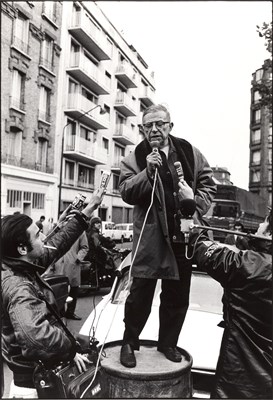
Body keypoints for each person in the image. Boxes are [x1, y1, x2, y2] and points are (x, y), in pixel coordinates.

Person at [118, 103, 216, 368]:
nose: (154, 129)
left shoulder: (189, 152)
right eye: (148, 125)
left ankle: (168, 343)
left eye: (160, 124)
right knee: (139, 295)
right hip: (150, 239)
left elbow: (209, 183)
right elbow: (126, 191)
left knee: (177, 295)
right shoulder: (135, 157)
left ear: (170, 126)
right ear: (141, 129)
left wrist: (193, 200)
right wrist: (146, 173)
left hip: (182, 237)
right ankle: (129, 342)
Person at [1, 188, 104, 398]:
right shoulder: (18, 286)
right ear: (22, 249)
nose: (43, 239)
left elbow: (56, 244)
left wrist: (86, 213)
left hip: (36, 379)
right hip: (34, 388)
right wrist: (71, 347)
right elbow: (35, 336)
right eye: (38, 235)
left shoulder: (19, 263)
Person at [191, 208, 272, 398]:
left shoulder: (253, 266)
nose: (259, 225)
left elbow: (204, 251)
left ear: (270, 232)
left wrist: (191, 212)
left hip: (240, 383)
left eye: (265, 221)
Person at [48, 231, 89, 320]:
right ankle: (60, 312)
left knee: (74, 288)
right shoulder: (61, 228)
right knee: (59, 288)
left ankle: (70, 312)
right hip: (58, 263)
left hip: (72, 263)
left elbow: (84, 247)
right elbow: (49, 241)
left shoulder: (80, 232)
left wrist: (78, 258)